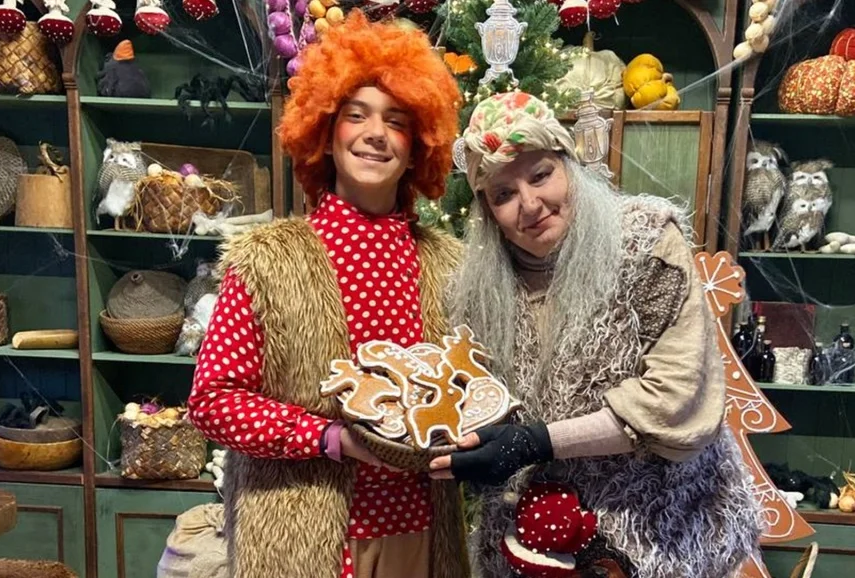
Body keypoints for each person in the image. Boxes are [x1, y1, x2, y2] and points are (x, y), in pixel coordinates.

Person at [428, 91, 763, 578]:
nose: (530, 204)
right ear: (487, 211)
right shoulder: (473, 292)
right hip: (531, 546)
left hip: (660, 532)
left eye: (541, 175)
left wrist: (537, 442)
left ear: (569, 165)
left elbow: (673, 398)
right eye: (503, 194)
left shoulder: (646, 246)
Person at [186, 11, 468, 578]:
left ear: (418, 147)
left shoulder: (450, 263)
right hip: (301, 539)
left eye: (396, 121)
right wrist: (328, 437)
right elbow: (213, 402)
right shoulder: (267, 259)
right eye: (355, 115)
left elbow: (467, 386)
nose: (375, 133)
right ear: (326, 135)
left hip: (423, 530)